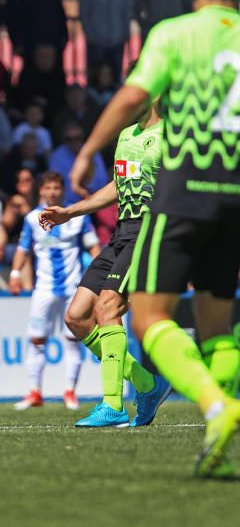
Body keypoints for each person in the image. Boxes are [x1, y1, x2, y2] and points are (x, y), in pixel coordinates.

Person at [69, 0, 240, 477]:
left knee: (148, 319)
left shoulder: (174, 33)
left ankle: (215, 405)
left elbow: (134, 94)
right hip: (233, 196)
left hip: (183, 192)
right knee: (217, 326)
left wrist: (89, 148)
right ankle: (220, 406)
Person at [40, 103, 169, 428]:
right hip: (122, 231)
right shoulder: (127, 136)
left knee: (108, 305)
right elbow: (118, 186)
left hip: (150, 231)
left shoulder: (171, 135)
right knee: (77, 317)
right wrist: (71, 212)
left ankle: (113, 404)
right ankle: (147, 385)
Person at [9, 172, 100, 411]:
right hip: (45, 289)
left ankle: (70, 392)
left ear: (62, 191)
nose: (52, 192)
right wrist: (15, 274)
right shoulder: (31, 219)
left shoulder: (78, 218)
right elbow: (23, 248)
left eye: (56, 188)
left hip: (73, 288)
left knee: (72, 339)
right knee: (37, 339)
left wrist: (104, 275)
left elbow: (93, 247)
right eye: (48, 187)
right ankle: (34, 392)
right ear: (41, 191)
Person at [79, 0, 131, 78]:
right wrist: (90, 35)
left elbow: (126, 11)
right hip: (96, 40)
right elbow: (84, 13)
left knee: (115, 74)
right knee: (95, 75)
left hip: (116, 39)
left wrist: (125, 33)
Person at [49, 122, 107, 205]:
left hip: (95, 200)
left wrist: (88, 193)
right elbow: (56, 184)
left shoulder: (93, 152)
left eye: (77, 138)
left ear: (82, 138)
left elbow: (102, 180)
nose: (74, 142)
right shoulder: (57, 156)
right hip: (68, 203)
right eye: (69, 139)